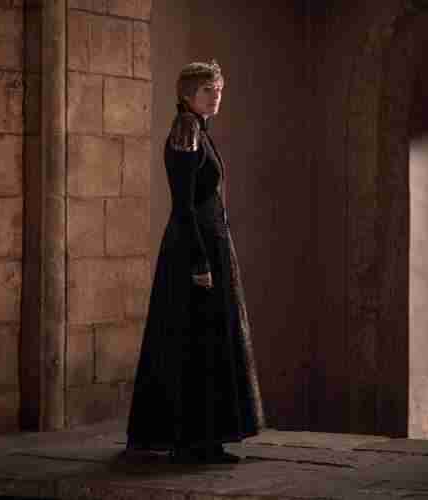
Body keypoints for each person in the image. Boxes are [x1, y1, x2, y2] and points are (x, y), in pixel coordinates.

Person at [126, 60, 265, 464]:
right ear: (188, 94)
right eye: (208, 90)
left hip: (207, 242)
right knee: (197, 340)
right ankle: (193, 441)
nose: (216, 95)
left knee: (208, 339)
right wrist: (199, 260)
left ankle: (205, 439)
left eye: (219, 89)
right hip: (195, 245)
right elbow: (184, 206)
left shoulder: (198, 130)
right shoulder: (187, 130)